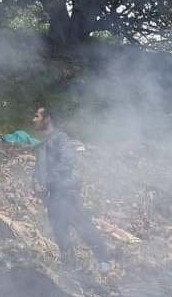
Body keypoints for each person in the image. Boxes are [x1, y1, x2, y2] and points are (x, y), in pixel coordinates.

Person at [32, 106, 113, 271]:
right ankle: (69, 267)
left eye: (37, 116)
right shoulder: (41, 146)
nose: (33, 120)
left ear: (47, 119)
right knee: (59, 231)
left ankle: (104, 261)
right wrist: (35, 184)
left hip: (65, 191)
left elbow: (67, 161)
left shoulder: (60, 138)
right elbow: (39, 170)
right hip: (52, 196)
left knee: (82, 226)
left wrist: (48, 180)